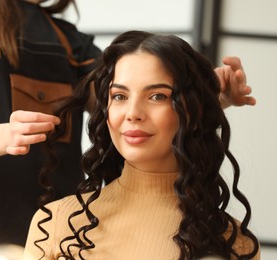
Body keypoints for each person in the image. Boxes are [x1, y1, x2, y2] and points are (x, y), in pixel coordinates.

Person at [0, 0, 254, 259]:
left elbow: (131, 107)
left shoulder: (72, 42)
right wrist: (6, 135)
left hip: (66, 235)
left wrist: (207, 100)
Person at [24, 31, 260, 259]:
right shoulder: (57, 223)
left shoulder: (234, 243)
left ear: (193, 112)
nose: (133, 113)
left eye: (157, 96)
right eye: (120, 96)